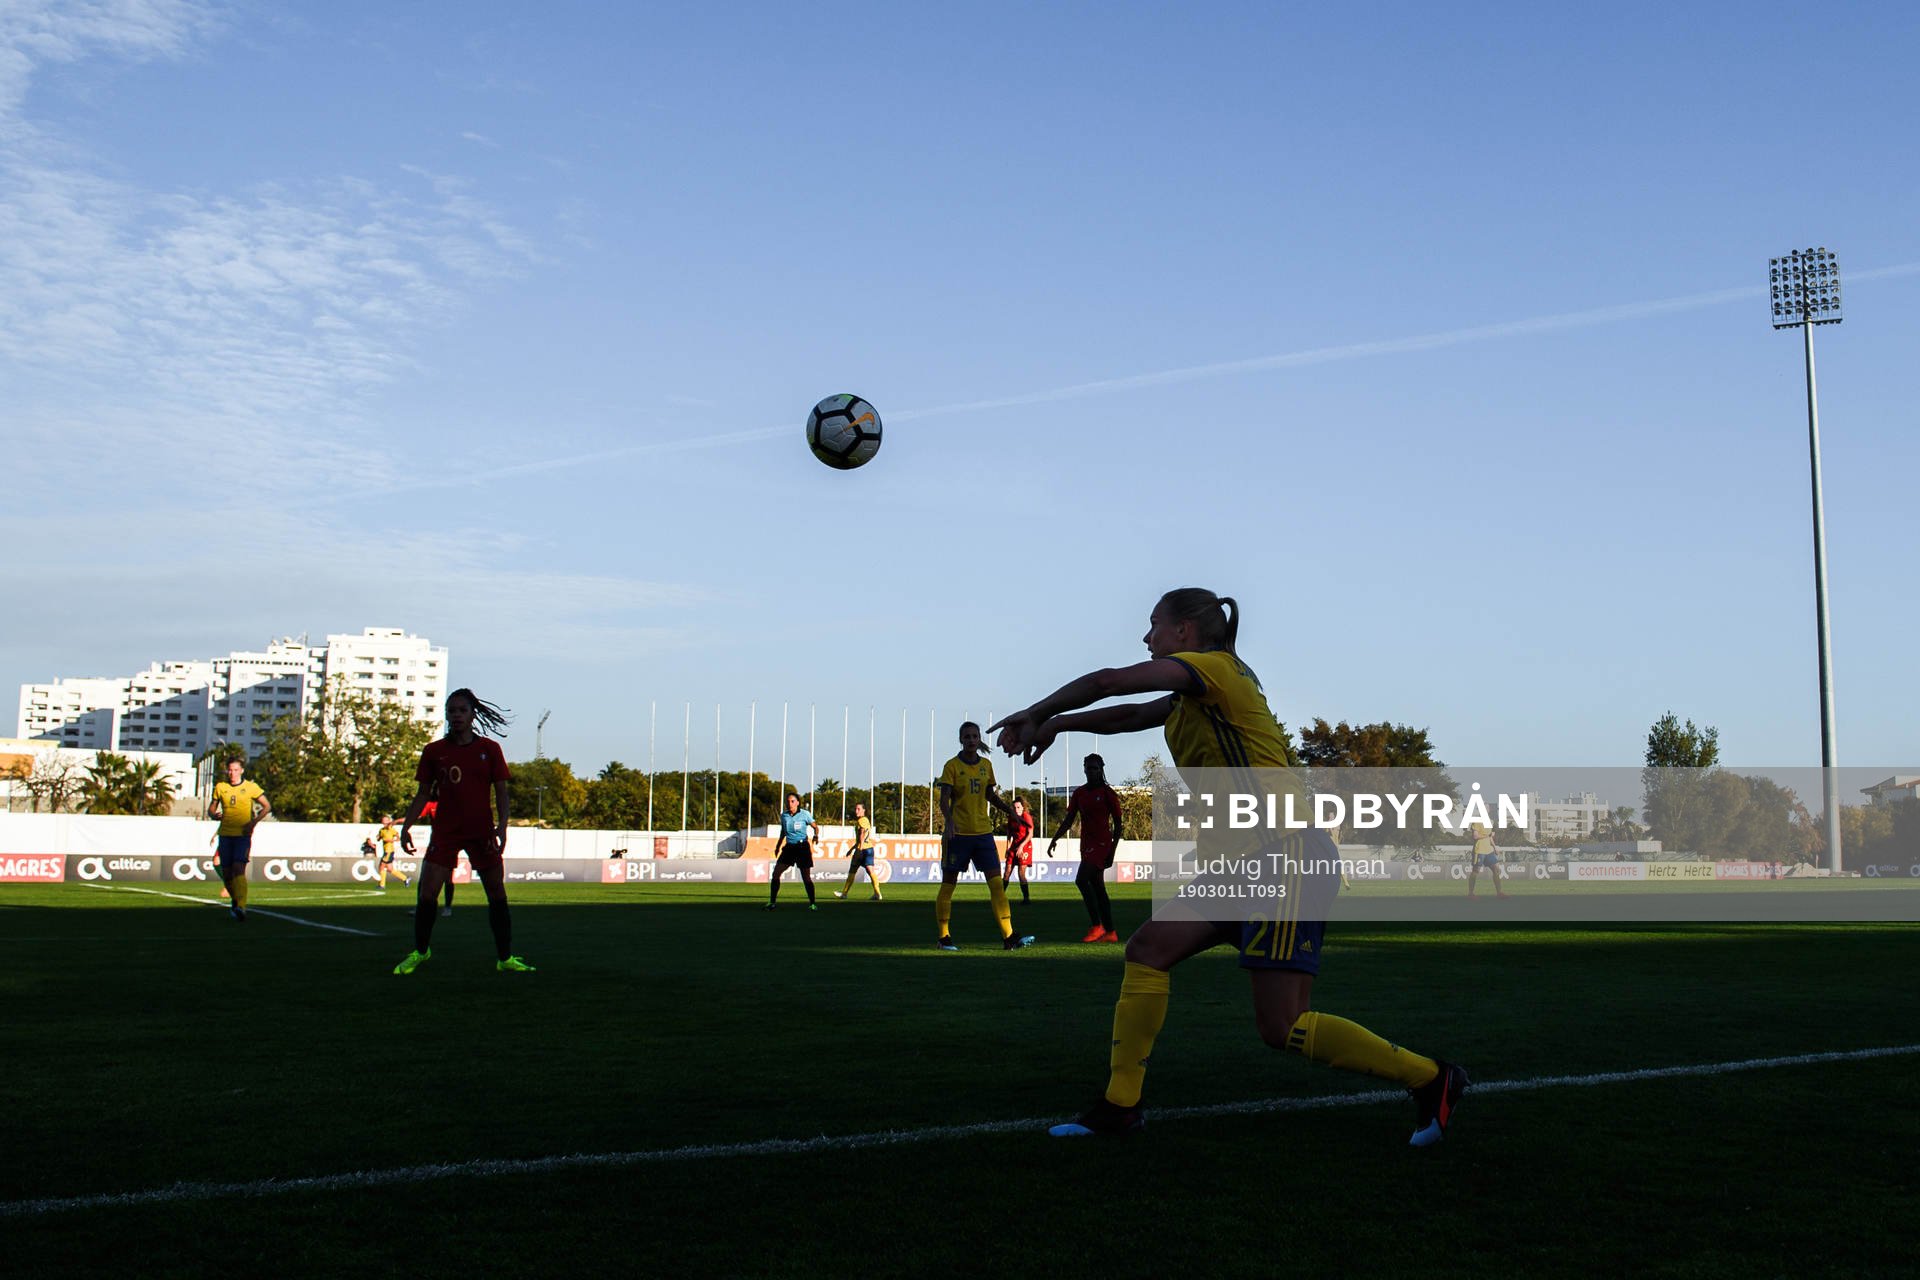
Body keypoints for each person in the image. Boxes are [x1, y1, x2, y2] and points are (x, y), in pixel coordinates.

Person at [991, 588, 1466, 1144]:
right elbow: (1128, 713)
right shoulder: (1194, 692)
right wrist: (1061, 726)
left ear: (1185, 632)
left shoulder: (1212, 669)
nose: (1146, 639)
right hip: (1245, 867)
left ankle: (1433, 1080)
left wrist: (1038, 711)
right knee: (1147, 950)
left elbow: (1107, 682)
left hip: (1283, 856)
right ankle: (1121, 1107)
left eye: (1153, 627)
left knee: (1282, 1027)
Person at [392, 690, 533, 974]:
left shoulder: (490, 749)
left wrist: (503, 825)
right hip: (445, 830)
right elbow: (422, 794)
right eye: (451, 711)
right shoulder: (434, 752)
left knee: (496, 892)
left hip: (481, 830)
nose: (455, 715)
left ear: (472, 715)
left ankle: (505, 958)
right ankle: (421, 952)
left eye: (461, 711)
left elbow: (501, 791)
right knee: (428, 893)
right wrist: (406, 826)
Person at [936, 721, 1033, 951]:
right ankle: (943, 937)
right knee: (949, 885)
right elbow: (944, 799)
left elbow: (990, 795)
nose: (971, 740)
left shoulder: (986, 766)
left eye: (974, 736)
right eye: (967, 736)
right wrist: (949, 821)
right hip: (958, 834)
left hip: (983, 834)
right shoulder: (951, 766)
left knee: (997, 886)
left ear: (979, 739)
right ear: (961, 740)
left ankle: (1009, 937)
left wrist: (1009, 810)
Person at [1048, 753, 1124, 942]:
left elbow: (1118, 825)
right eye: (1088, 768)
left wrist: (1112, 852)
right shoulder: (1079, 793)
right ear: (1084, 769)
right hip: (1087, 844)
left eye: (1095, 768)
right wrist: (1054, 839)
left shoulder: (1108, 793)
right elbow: (1069, 819)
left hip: (1102, 844)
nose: (1091, 771)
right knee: (1098, 888)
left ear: (1101, 770)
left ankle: (1097, 926)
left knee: (1081, 880)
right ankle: (1111, 932)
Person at [207, 757, 269, 923]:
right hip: (225, 835)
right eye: (230, 770)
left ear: (241, 771)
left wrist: (253, 822)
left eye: (235, 770)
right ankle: (236, 901)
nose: (232, 773)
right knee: (227, 874)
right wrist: (213, 814)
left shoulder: (250, 787)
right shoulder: (221, 787)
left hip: (242, 836)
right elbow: (211, 808)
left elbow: (267, 806)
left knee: (238, 868)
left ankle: (241, 906)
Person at [766, 792, 820, 910]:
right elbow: (783, 832)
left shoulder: (804, 814)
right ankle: (772, 902)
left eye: (792, 801)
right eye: (788, 801)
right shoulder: (784, 816)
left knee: (806, 878)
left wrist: (816, 836)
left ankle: (812, 904)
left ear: (798, 803)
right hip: (789, 848)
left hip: (802, 848)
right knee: (776, 874)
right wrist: (778, 846)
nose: (790, 804)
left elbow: (815, 827)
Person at [834, 801, 883, 901]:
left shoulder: (862, 820)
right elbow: (862, 837)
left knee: (852, 871)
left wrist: (859, 849)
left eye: (858, 809)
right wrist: (851, 849)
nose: (856, 811)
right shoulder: (866, 820)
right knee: (871, 871)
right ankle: (877, 894)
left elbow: (862, 834)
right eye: (856, 809)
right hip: (869, 849)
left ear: (864, 810)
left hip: (862, 850)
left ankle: (844, 894)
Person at [1002, 797, 1036, 902]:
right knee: (1007, 871)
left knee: (1021, 872)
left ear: (1023, 807)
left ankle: (1026, 898)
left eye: (1018, 807)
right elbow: (1009, 833)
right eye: (1014, 807)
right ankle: (999, 898)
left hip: (1025, 846)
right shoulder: (1011, 817)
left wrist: (1021, 847)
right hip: (1014, 846)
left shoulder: (1026, 817)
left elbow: (1031, 834)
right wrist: (1007, 848)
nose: (1016, 809)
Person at [1466, 819, 1509, 899]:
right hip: (1479, 850)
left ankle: (1499, 893)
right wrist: (1488, 835)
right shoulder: (1476, 822)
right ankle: (1470, 894)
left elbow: (1490, 838)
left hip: (1489, 851)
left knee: (1496, 869)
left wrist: (1495, 847)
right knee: (1475, 871)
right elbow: (1475, 836)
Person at [374, 814, 411, 891]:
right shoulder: (382, 830)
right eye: (383, 821)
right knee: (390, 869)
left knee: (381, 866)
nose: (384, 822)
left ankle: (382, 884)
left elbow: (397, 836)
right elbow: (379, 838)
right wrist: (378, 837)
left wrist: (393, 840)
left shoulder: (390, 829)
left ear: (388, 821)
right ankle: (405, 879)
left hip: (389, 851)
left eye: (386, 821)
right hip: (386, 851)